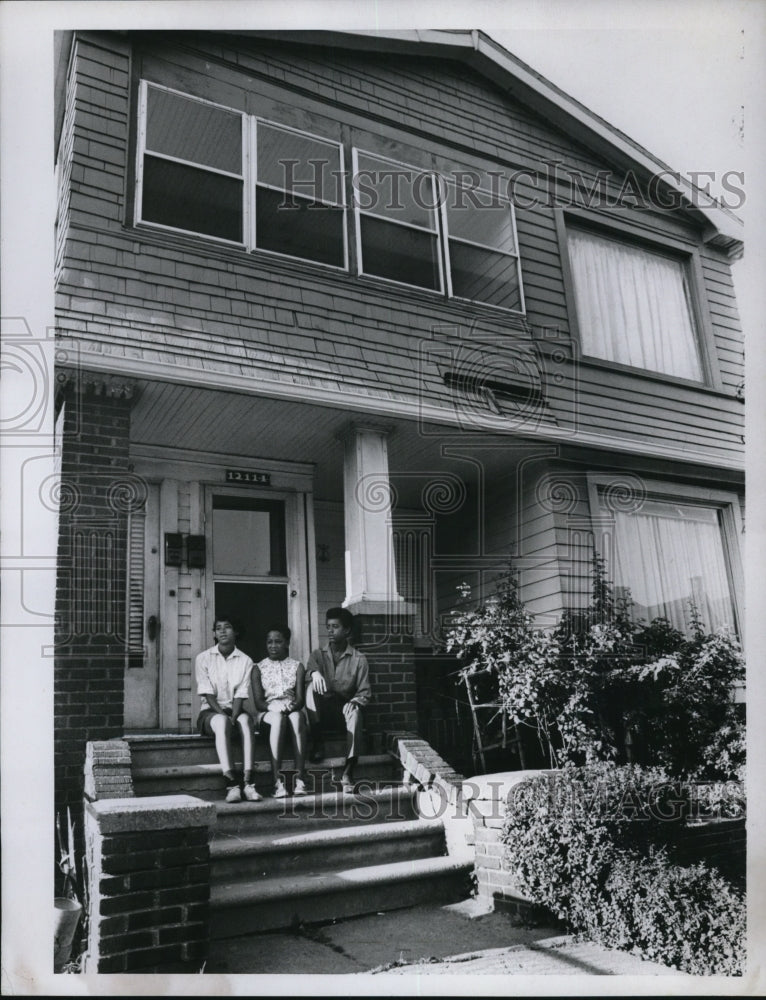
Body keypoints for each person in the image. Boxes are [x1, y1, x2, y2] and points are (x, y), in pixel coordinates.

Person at [195, 614, 262, 803]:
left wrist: (235, 715)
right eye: (218, 628)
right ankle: (232, 784)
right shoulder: (203, 658)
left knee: (247, 722)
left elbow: (241, 693)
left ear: (236, 632)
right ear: (214, 634)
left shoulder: (246, 660)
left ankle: (249, 783)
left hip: (235, 708)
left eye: (227, 627)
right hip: (210, 711)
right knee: (223, 721)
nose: (222, 631)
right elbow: (207, 693)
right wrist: (225, 716)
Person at [306, 607, 371, 793]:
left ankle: (349, 770)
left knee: (356, 713)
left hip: (343, 710)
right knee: (311, 687)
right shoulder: (318, 654)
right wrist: (314, 672)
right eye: (328, 627)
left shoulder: (359, 659)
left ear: (347, 631)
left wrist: (355, 702)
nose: (330, 631)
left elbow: (365, 692)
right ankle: (318, 743)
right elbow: (309, 669)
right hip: (321, 713)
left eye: (335, 627)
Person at [252, 626, 308, 798]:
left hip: (291, 709)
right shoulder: (258, 668)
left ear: (287, 643)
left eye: (278, 642)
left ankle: (300, 779)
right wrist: (274, 707)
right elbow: (259, 703)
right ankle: (277, 782)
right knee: (277, 718)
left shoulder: (297, 666)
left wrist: (291, 706)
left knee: (298, 717)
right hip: (268, 713)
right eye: (270, 642)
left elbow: (300, 700)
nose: (273, 646)